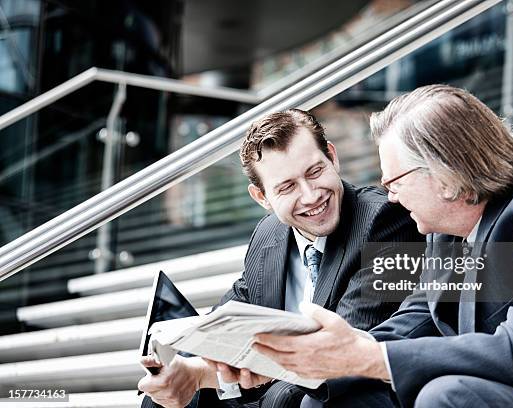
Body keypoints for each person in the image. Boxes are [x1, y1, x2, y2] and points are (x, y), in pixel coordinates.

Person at [248, 85, 513, 407]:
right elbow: (416, 318)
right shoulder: (447, 229)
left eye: (395, 182)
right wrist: (327, 359)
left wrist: (369, 358)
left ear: (444, 173)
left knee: (445, 395)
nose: (390, 197)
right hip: (500, 389)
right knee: (342, 396)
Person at [137, 109, 423, 408]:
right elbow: (230, 315)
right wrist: (185, 363)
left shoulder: (385, 220)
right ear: (262, 198)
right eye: (287, 187)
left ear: (332, 157)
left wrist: (202, 375)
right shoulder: (269, 234)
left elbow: (340, 353)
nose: (311, 195)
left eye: (314, 172)